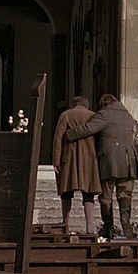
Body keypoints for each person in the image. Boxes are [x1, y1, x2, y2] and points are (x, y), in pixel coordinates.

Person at [66, 94, 138, 240]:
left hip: (110, 161)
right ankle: (125, 222)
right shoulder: (128, 115)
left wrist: (69, 134)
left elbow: (88, 128)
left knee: (106, 196)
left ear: (103, 104)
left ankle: (108, 228)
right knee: (125, 194)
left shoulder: (104, 114)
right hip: (129, 162)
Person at [52, 96, 101, 234]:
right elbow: (99, 138)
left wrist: (56, 160)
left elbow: (58, 138)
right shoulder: (93, 116)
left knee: (66, 192)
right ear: (86, 105)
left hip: (69, 158)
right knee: (89, 194)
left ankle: (65, 224)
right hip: (89, 159)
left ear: (73, 105)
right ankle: (90, 227)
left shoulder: (65, 115)